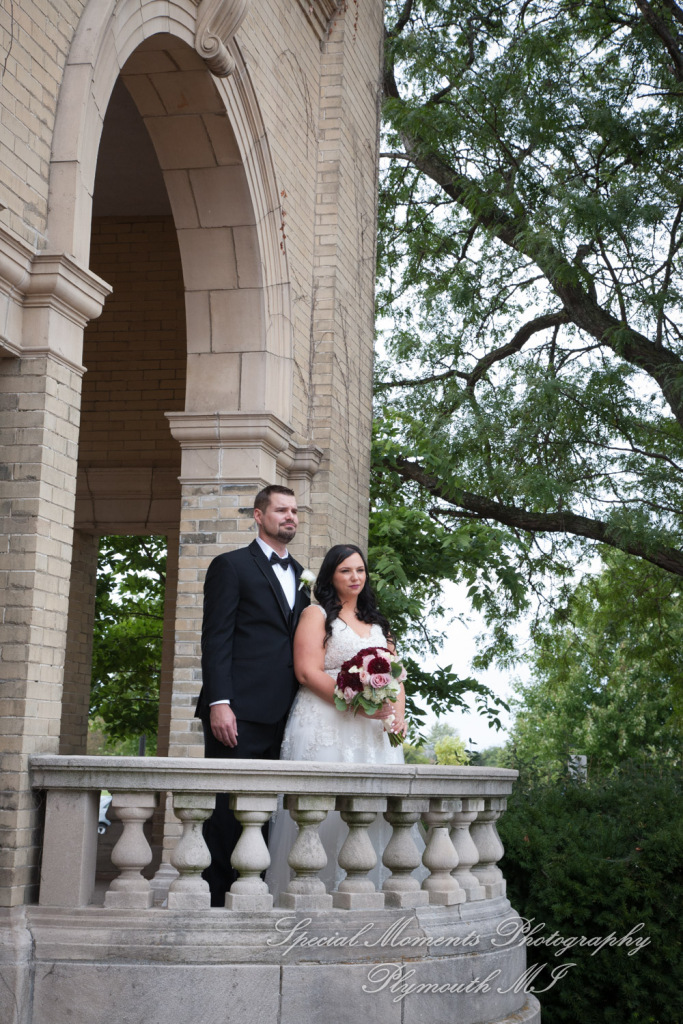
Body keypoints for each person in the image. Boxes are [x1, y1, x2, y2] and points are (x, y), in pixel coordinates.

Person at [266, 543, 411, 897]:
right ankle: (310, 893)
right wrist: (355, 705)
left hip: (373, 731)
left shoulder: (378, 623)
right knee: (324, 811)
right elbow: (306, 671)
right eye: (346, 570)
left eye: (360, 570)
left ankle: (366, 893)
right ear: (332, 574)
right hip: (325, 721)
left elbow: (396, 676)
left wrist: (398, 716)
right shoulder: (316, 615)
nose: (355, 577)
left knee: (371, 811)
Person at [196, 484, 310, 906]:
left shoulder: (302, 574)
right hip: (237, 711)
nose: (290, 517)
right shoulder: (230, 566)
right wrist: (219, 703)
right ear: (259, 516)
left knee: (264, 811)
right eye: (281, 510)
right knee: (228, 813)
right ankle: (215, 904)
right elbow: (216, 638)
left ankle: (251, 899)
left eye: (295, 511)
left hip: (284, 713)